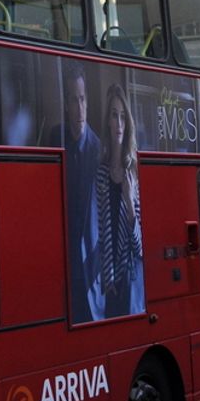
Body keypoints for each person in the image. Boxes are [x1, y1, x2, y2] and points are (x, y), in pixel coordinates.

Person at [52, 65, 103, 321]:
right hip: (62, 264)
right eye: (74, 100)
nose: (80, 108)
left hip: (89, 271)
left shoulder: (98, 150)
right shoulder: (54, 139)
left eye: (83, 99)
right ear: (66, 104)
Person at [95, 84, 144, 317]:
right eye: (114, 116)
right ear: (108, 121)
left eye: (123, 116)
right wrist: (106, 276)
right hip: (108, 280)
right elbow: (100, 233)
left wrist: (129, 201)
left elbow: (140, 247)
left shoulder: (133, 172)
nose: (119, 123)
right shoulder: (101, 173)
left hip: (131, 279)